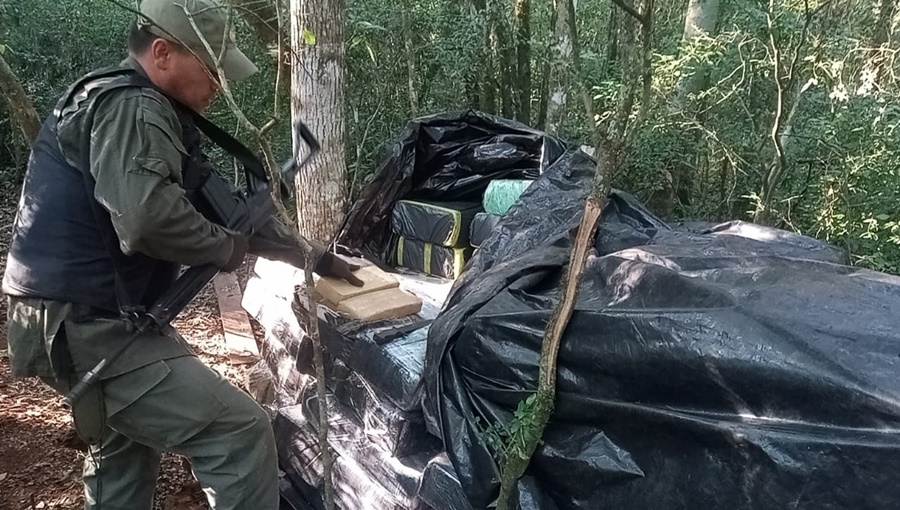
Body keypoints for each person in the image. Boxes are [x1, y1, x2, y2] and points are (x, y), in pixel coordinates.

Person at [1, 0, 362, 508]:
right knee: (239, 434)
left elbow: (232, 216)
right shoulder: (134, 107)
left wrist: (317, 257)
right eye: (211, 69)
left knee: (125, 446)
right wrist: (224, 247)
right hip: (87, 325)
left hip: (69, 319)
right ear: (163, 53)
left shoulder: (132, 105)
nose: (219, 84)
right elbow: (147, 219)